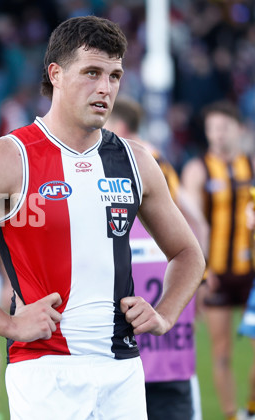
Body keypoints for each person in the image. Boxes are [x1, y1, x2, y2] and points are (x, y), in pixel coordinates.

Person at [0, 15, 205, 420]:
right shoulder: (7, 158)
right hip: (45, 371)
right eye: (92, 72)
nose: (105, 87)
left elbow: (188, 253)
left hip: (123, 371)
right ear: (56, 74)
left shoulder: (136, 161)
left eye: (115, 75)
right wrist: (7, 325)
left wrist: (165, 313)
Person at [105, 96, 204, 420]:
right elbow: (196, 222)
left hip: (138, 297)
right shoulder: (156, 159)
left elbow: (188, 224)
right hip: (157, 297)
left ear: (119, 126)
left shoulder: (136, 159)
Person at [181, 100, 255, 420]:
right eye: (212, 129)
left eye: (223, 128)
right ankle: (231, 415)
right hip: (218, 273)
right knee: (222, 350)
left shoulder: (250, 165)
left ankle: (251, 407)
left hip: (251, 272)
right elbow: (190, 224)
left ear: (238, 129)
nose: (217, 135)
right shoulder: (198, 169)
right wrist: (200, 272)